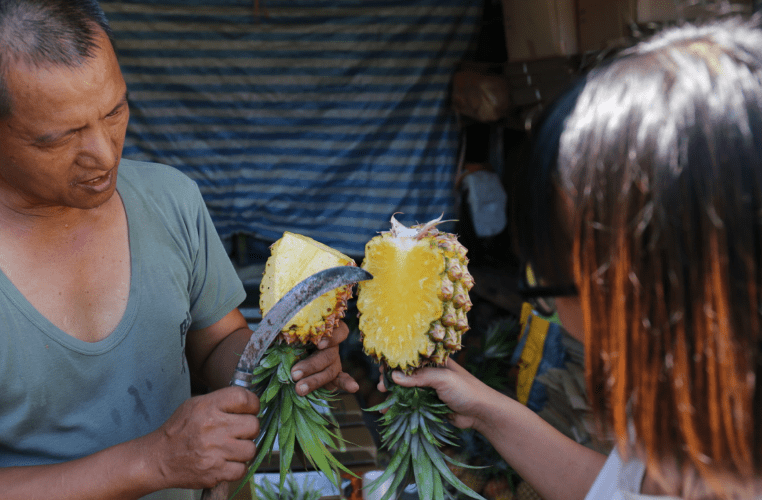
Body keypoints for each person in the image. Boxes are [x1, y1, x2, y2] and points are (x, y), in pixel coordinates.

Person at [383, 14, 762, 500]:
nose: (557, 314)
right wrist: (483, 409)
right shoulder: (685, 399)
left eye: (556, 276)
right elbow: (617, 491)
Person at [0, 1, 359, 499]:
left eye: (115, 111)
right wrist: (152, 461)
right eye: (60, 137)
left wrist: (279, 358)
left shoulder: (171, 200)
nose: (105, 154)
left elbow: (215, 345)